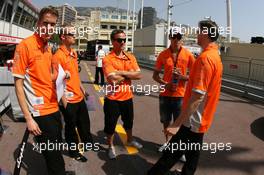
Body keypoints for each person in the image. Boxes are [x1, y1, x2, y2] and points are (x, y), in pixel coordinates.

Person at [148, 19, 223, 175]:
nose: (196, 33)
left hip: (192, 119)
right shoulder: (214, 55)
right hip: (201, 118)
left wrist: (177, 123)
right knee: (192, 154)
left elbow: (197, 96)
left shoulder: (204, 58)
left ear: (205, 33)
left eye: (198, 30)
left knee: (170, 155)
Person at [12, 7, 75, 175]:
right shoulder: (25, 46)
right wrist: (28, 118)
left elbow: (46, 77)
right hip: (40, 113)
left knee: (56, 147)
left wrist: (62, 75)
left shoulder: (47, 48)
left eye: (52, 25)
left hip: (53, 107)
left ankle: (59, 170)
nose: (48, 28)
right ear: (37, 23)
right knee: (53, 154)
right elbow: (18, 85)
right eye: (45, 23)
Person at [52, 24, 93, 162]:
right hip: (68, 101)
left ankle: (87, 143)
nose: (75, 36)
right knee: (71, 129)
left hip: (79, 97)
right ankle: (74, 152)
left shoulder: (74, 53)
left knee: (84, 123)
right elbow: (56, 82)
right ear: (63, 37)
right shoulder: (57, 56)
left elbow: (75, 75)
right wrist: (65, 103)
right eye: (72, 34)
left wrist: (83, 90)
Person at [153, 29, 195, 156]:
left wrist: (182, 77)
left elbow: (194, 76)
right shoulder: (163, 54)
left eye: (179, 37)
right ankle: (167, 142)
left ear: (182, 38)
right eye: (173, 37)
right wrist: (166, 84)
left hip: (180, 96)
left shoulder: (188, 55)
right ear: (169, 38)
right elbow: (155, 76)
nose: (176, 39)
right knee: (165, 121)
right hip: (164, 94)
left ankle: (179, 149)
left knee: (179, 123)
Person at [102, 29, 143, 159]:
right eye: (120, 40)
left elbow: (139, 75)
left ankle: (130, 140)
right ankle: (110, 146)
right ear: (113, 41)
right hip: (112, 99)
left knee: (129, 122)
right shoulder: (107, 58)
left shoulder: (130, 56)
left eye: (124, 40)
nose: (123, 42)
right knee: (110, 125)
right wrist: (129, 74)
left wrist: (120, 73)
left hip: (127, 97)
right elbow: (113, 80)